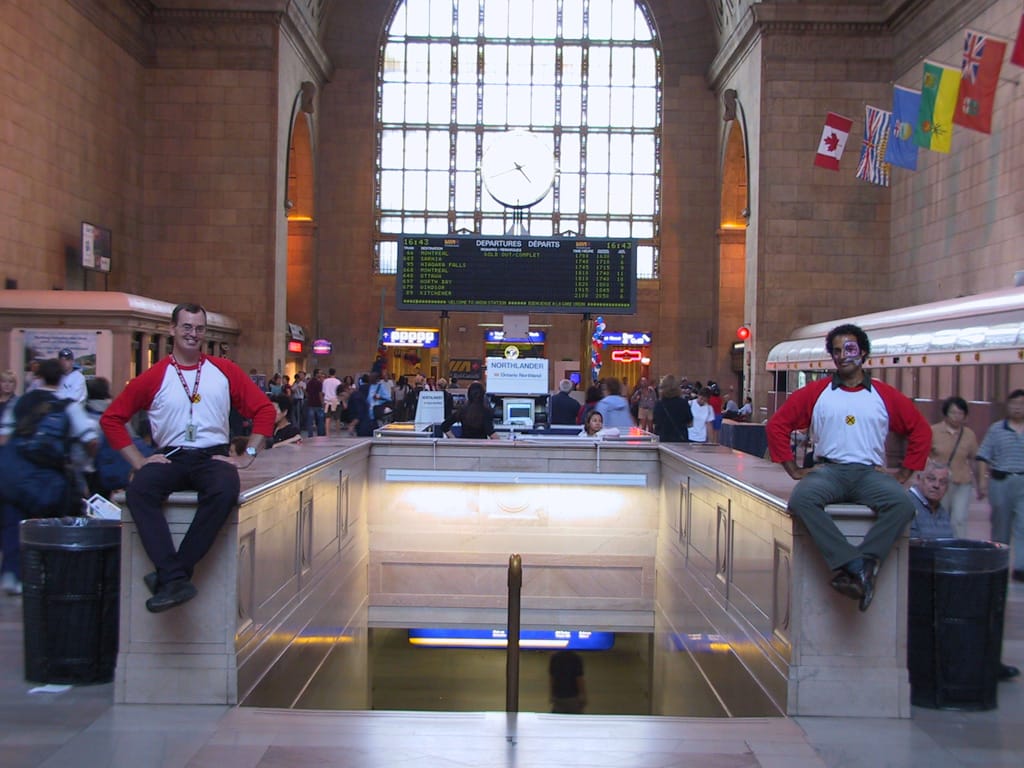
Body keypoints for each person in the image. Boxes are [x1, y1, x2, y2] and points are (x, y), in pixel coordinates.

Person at [100, 303, 275, 613]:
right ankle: (174, 576)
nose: (193, 334)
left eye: (199, 328)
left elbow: (263, 410)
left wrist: (248, 454)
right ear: (172, 330)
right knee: (140, 490)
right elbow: (112, 419)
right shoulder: (154, 376)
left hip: (212, 457)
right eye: (187, 327)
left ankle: (171, 575)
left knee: (224, 490)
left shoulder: (224, 371)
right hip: (170, 456)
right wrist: (139, 461)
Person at [766, 323, 931, 612]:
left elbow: (921, 431)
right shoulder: (816, 393)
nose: (843, 356)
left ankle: (865, 561)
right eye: (837, 351)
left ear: (863, 353)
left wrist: (904, 473)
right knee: (802, 499)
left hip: (869, 473)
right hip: (829, 471)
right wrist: (793, 469)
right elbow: (778, 425)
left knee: (902, 505)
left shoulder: (884, 395)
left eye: (850, 349)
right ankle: (856, 564)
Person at [907, 462, 1020, 681]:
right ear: (918, 479)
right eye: (931, 479)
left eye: (942, 482)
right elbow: (911, 549)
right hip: (918, 582)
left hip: (938, 578)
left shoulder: (939, 510)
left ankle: (985, 662)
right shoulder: (909, 505)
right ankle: (982, 664)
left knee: (986, 605)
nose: (936, 486)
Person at [0, 358, 99, 595]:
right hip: (50, 479)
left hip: (17, 476)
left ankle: (13, 574)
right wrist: (84, 463)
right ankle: (49, 573)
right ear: (62, 378)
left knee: (13, 524)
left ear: (38, 377)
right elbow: (90, 439)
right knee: (53, 525)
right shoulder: (68, 406)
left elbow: (4, 438)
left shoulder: (21, 403)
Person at [976, 389, 1024, 583]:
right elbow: (983, 456)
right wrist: (982, 482)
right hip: (1001, 482)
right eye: (1014, 404)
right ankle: (999, 564)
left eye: (1022, 404)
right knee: (1000, 527)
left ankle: (1020, 568)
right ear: (1007, 406)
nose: (1018, 408)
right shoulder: (997, 429)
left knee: (1023, 527)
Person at [929, 396, 979, 539]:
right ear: (945, 414)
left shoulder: (969, 435)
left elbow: (975, 458)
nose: (957, 417)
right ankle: (940, 546)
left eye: (960, 413)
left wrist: (981, 482)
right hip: (940, 483)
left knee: (959, 519)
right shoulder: (933, 431)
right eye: (953, 413)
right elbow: (924, 456)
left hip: (962, 482)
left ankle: (960, 549)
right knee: (941, 517)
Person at [652, 374, 692, 443]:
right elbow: (689, 422)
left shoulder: (659, 404)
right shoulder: (683, 403)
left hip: (663, 440)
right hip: (680, 440)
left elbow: (655, 422)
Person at [549, 649, 586, 713]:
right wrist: (582, 695)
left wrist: (551, 694)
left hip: (558, 695)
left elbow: (552, 678)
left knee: (558, 718)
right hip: (573, 696)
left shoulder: (555, 657)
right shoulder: (576, 658)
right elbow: (579, 679)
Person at [305, 368, 325, 437]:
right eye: (320, 373)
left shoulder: (309, 382)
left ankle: (310, 434)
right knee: (320, 420)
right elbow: (320, 394)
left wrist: (309, 398)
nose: (321, 374)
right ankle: (320, 433)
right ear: (316, 374)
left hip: (310, 403)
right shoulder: (319, 383)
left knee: (310, 421)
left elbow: (306, 392)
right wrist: (322, 403)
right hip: (318, 403)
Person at [322, 368, 342, 434]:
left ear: (329, 373)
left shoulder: (325, 381)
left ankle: (327, 433)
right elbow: (340, 392)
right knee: (337, 418)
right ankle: (338, 432)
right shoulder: (338, 381)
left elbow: (323, 392)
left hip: (327, 401)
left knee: (327, 418)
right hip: (335, 401)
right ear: (335, 373)